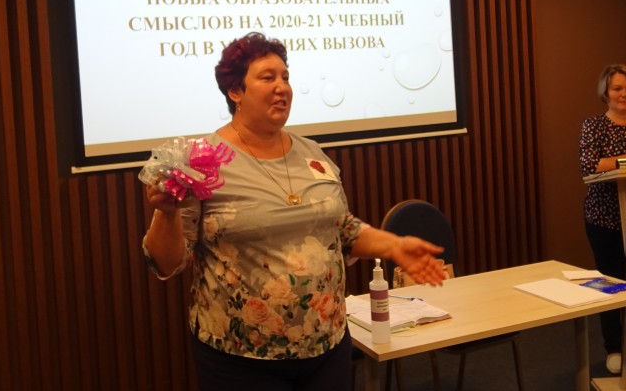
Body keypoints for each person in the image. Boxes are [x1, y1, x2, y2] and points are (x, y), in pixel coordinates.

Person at [142, 31, 448, 391]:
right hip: (241, 358)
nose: (282, 87)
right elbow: (167, 263)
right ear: (235, 91)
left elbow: (343, 229)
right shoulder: (202, 161)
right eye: (267, 77)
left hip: (327, 346)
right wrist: (166, 213)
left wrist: (394, 245)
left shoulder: (312, 154)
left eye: (285, 77)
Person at [578, 63, 626, 375]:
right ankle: (614, 347)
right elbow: (589, 165)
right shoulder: (594, 126)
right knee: (611, 285)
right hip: (605, 219)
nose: (624, 94)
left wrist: (615, 160)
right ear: (606, 93)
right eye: (617, 88)